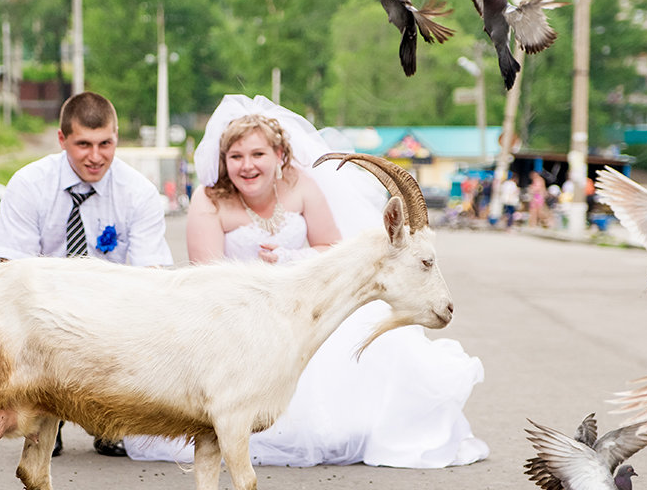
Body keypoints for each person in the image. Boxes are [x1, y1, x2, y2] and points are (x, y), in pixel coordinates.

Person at [124, 94, 489, 468]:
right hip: (239, 318)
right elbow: (206, 276)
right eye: (236, 157)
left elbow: (330, 248)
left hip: (303, 305)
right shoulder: (209, 199)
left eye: (257, 155)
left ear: (280, 156)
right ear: (224, 162)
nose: (247, 166)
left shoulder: (302, 185)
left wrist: (289, 259)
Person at [0, 91, 174, 456]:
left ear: (116, 137)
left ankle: (110, 418)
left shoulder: (139, 192)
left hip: (114, 309)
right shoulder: (29, 185)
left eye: (105, 143)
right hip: (45, 306)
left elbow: (151, 279)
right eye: (83, 144)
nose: (96, 156)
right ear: (62, 140)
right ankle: (43, 410)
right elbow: (10, 272)